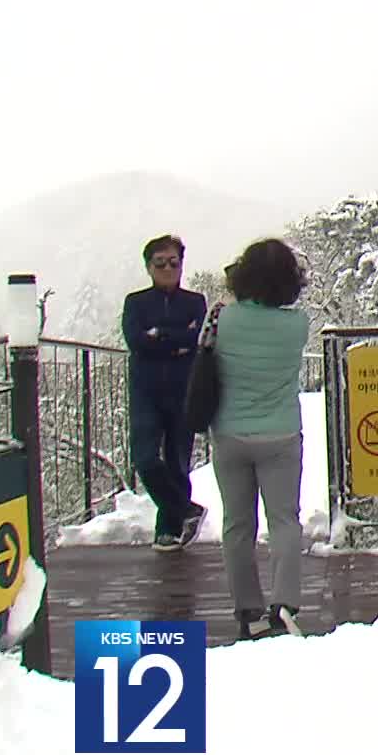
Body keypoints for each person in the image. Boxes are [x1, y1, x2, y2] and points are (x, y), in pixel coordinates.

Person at [209, 239, 312, 639]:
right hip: (281, 433)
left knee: (238, 525)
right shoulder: (297, 325)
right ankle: (284, 604)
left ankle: (247, 610)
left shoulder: (221, 318)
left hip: (230, 433)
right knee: (284, 520)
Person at [122, 235, 209, 551]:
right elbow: (136, 341)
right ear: (148, 267)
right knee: (144, 458)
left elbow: (195, 338)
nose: (168, 268)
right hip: (146, 391)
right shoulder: (136, 302)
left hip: (184, 389)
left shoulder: (195, 301)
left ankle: (169, 529)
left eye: (174, 262)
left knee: (177, 461)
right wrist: (176, 340)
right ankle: (185, 510)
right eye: (160, 263)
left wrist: (159, 336)